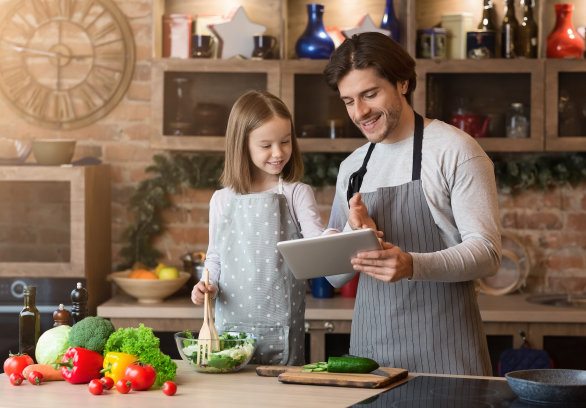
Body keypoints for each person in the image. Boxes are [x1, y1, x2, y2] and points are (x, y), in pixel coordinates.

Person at [323, 32, 502, 376]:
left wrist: (411, 265)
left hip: (446, 358)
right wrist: (353, 231)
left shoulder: (455, 151)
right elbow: (334, 276)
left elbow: (487, 253)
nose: (359, 113)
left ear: (402, 83)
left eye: (370, 94)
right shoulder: (353, 169)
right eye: (348, 101)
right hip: (371, 360)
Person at [191, 90, 324, 365]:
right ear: (243, 145)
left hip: (283, 330)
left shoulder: (296, 193)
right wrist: (208, 284)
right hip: (230, 333)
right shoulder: (222, 199)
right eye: (266, 145)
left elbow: (319, 249)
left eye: (285, 142)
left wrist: (339, 234)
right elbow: (215, 257)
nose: (279, 153)